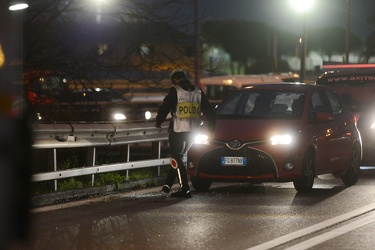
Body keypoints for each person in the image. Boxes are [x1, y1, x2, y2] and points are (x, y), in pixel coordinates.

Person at [155, 70, 216, 198]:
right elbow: (210, 112)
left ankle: (185, 189)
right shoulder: (198, 91)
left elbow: (165, 107)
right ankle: (166, 187)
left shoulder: (175, 90)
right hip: (193, 131)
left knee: (177, 159)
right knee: (179, 158)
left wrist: (159, 122)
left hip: (178, 130)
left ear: (174, 80)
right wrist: (211, 130)